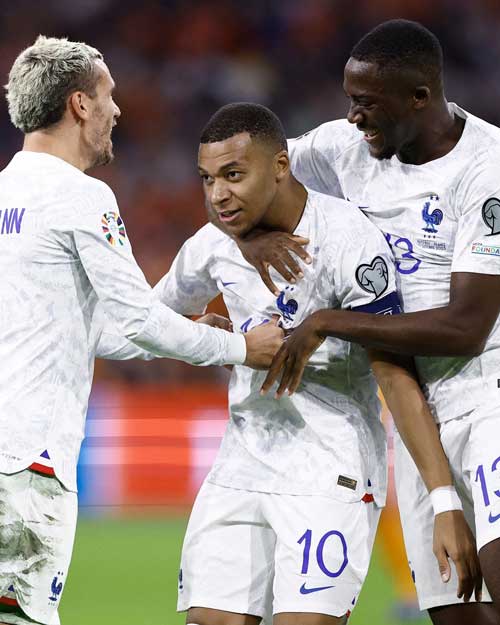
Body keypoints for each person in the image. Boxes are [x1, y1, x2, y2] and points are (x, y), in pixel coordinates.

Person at [139, 102, 479, 625]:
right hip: (241, 466)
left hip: (330, 470)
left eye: (233, 176)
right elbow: (145, 323)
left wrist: (443, 501)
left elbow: (394, 374)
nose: (218, 194)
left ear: (280, 166)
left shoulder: (349, 240)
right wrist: (209, 339)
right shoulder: (212, 246)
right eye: (207, 179)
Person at [0, 37, 283, 625]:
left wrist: (185, 328)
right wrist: (238, 347)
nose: (118, 109)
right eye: (108, 95)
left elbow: (94, 332)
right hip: (28, 464)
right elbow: (139, 320)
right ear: (80, 104)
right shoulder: (81, 196)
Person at [238, 19, 500, 625]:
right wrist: (251, 238)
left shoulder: (486, 169)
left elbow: (465, 328)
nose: (354, 117)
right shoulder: (342, 149)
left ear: (420, 97)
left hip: (488, 394)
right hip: (412, 412)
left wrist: (331, 320)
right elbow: (239, 172)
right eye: (350, 100)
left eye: (368, 103)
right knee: (456, 611)